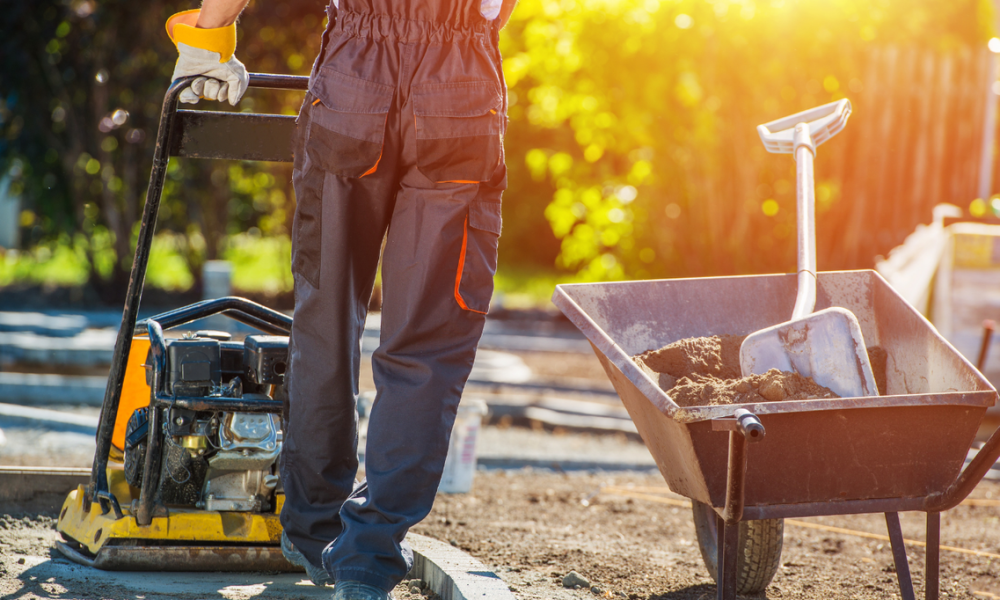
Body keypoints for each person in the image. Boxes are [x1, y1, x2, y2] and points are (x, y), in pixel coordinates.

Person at [165, 1, 516, 599]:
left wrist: (209, 36)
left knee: (326, 317)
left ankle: (313, 526)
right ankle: (368, 553)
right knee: (426, 341)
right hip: (460, 86)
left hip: (356, 69)